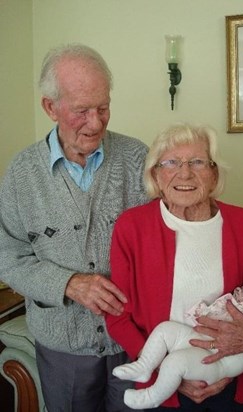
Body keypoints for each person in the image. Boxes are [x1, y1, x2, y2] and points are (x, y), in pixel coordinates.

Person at [0, 43, 149, 412]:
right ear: (50, 107)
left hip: (135, 340)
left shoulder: (138, 159)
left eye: (103, 107)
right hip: (63, 347)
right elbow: (7, 256)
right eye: (81, 111)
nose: (96, 122)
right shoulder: (21, 174)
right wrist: (67, 284)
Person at [105, 123, 243, 412]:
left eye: (197, 162)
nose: (184, 173)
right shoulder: (132, 227)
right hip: (163, 384)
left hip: (238, 379)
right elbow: (118, 314)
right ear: (155, 173)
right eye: (170, 163)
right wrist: (169, 372)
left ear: (214, 173)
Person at [112, 255, 243, 409]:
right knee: (165, 330)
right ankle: (145, 366)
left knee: (176, 362)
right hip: (204, 336)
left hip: (224, 360)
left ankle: (152, 396)